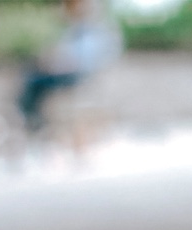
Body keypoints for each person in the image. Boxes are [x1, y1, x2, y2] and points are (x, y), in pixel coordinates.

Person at [17, 0, 121, 136]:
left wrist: (60, 64)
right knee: (31, 74)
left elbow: (84, 60)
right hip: (69, 71)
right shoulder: (77, 29)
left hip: (79, 75)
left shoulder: (94, 31)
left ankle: (32, 120)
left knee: (33, 81)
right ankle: (32, 118)